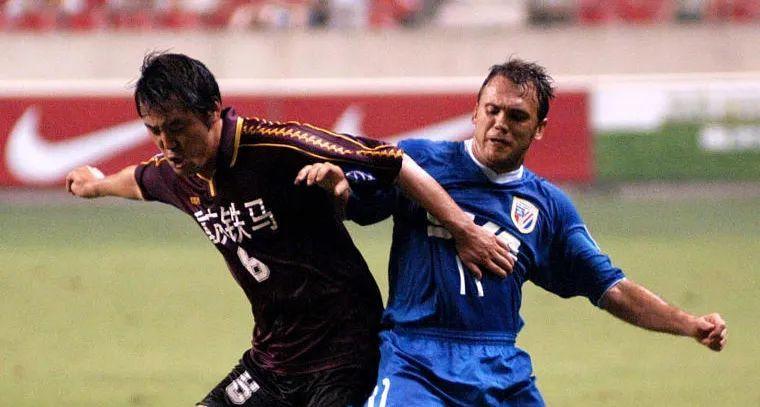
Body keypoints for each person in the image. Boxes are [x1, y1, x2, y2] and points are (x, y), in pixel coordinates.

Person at [64, 52, 514, 407]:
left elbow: (394, 163)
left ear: (213, 111)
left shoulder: (279, 145)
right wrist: (97, 185)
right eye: (155, 131)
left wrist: (463, 229)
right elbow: (139, 180)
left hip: (344, 353)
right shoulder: (178, 173)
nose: (168, 144)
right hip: (272, 359)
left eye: (177, 128)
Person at [303, 58, 728, 406]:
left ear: (539, 128)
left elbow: (610, 288)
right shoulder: (417, 162)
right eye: (492, 110)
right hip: (415, 360)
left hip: (500, 370)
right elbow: (353, 203)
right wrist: (336, 189)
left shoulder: (549, 208)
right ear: (475, 111)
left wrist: (689, 324)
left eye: (517, 116)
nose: (500, 123)